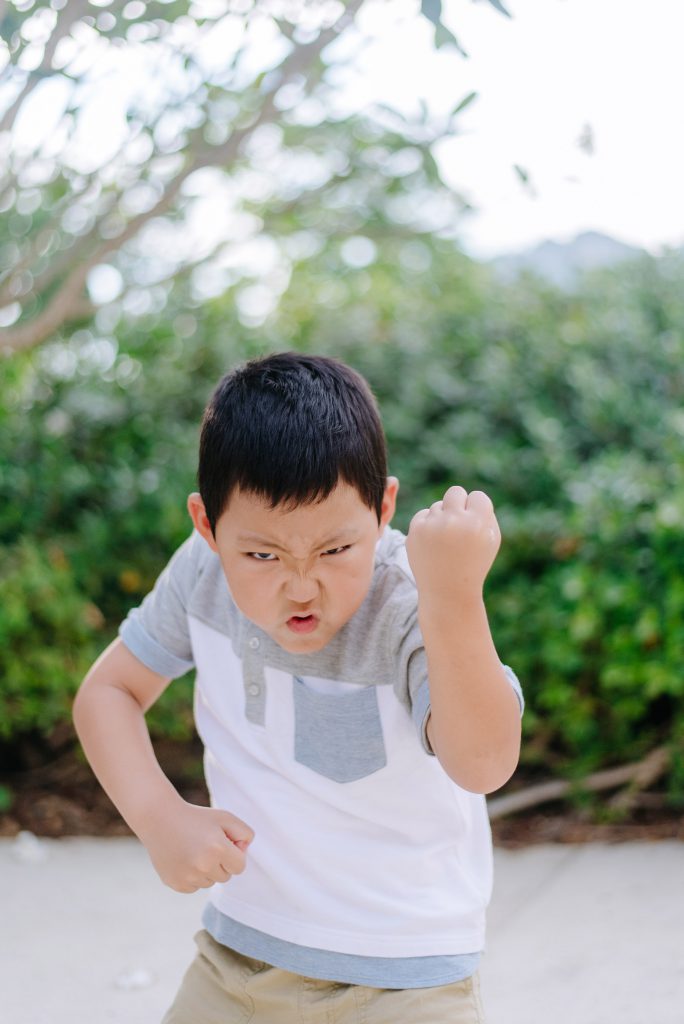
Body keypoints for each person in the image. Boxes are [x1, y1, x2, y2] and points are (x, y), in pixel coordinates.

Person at [73, 351, 523, 1024]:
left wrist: (455, 596)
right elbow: (108, 693)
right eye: (262, 555)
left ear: (383, 509)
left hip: (406, 979)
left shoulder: (411, 600)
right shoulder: (201, 572)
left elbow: (483, 763)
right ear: (206, 525)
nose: (301, 585)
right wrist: (158, 817)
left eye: (336, 551)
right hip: (238, 962)